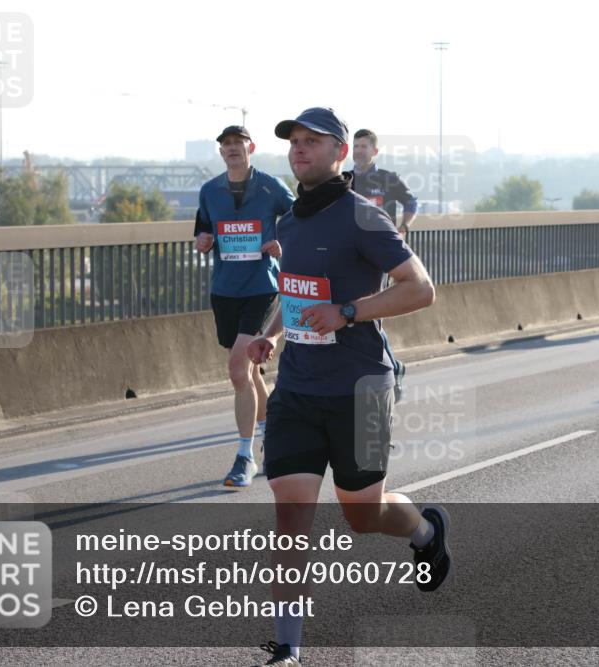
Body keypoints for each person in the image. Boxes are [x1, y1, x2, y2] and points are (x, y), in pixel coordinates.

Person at [246, 108, 450, 666]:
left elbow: (421, 289)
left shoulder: (364, 219)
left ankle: (426, 531)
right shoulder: (289, 222)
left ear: (340, 153)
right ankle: (286, 647)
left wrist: (349, 312)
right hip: (298, 389)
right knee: (291, 514)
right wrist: (269, 334)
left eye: (312, 142)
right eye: (293, 141)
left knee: (363, 514)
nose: (298, 150)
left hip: (361, 388)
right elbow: (295, 292)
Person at [195, 126, 295, 487]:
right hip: (225, 290)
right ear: (221, 153)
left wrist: (282, 244)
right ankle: (274, 440)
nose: (233, 149)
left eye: (238, 144)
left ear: (251, 148)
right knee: (251, 372)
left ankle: (244, 456)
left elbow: (299, 223)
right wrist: (203, 242)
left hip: (261, 287)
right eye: (226, 145)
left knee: (238, 368)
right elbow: (202, 233)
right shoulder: (209, 191)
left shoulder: (271, 186)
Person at [350, 129, 419, 403]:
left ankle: (390, 366)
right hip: (351, 255)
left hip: (380, 255)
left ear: (374, 151)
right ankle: (388, 366)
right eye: (355, 146)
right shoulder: (345, 180)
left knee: (371, 313)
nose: (359, 151)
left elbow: (411, 202)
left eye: (364, 146)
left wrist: (403, 226)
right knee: (360, 314)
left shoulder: (388, 179)